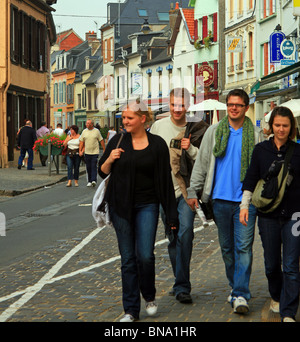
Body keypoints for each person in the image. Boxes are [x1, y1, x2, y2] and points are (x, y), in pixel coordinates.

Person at [98, 99, 178, 322]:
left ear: (143, 119)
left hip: (147, 205)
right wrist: (110, 160)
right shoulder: (117, 140)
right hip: (121, 206)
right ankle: (131, 310)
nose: (125, 122)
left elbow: (164, 181)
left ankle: (149, 295)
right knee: (128, 259)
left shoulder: (157, 145)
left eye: (129, 118)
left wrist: (172, 214)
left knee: (145, 255)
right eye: (123, 118)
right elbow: (102, 172)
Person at [187, 89, 261, 314]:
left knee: (244, 248)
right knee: (228, 249)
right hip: (219, 201)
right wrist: (193, 190)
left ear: (246, 107)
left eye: (238, 105)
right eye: (230, 104)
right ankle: (234, 286)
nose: (234, 108)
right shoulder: (214, 132)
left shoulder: (256, 135)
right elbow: (201, 163)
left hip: (245, 203)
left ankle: (240, 294)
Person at [240, 106, 300, 322]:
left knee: (291, 264)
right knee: (271, 264)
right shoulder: (260, 150)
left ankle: (288, 311)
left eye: (285, 125)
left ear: (291, 127)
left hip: (295, 216)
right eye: (277, 125)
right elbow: (250, 178)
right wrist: (244, 206)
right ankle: (277, 295)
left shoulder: (298, 151)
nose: (281, 129)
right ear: (271, 126)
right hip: (268, 216)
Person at [150, 87, 208, 304]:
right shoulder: (158, 126)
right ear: (169, 103)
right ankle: (179, 281)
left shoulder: (198, 128)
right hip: (163, 192)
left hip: (187, 191)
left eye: (181, 105)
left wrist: (191, 148)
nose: (177, 109)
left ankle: (183, 286)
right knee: (173, 237)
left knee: (186, 234)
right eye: (174, 105)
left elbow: (205, 160)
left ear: (188, 106)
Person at [79, 119, 105, 187]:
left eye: (88, 123)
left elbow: (101, 140)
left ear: (92, 124)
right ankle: (89, 181)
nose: (87, 125)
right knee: (88, 167)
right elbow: (81, 141)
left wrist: (104, 149)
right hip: (87, 152)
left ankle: (93, 180)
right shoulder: (84, 131)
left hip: (95, 152)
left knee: (93, 166)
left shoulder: (96, 131)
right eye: (86, 123)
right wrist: (80, 150)